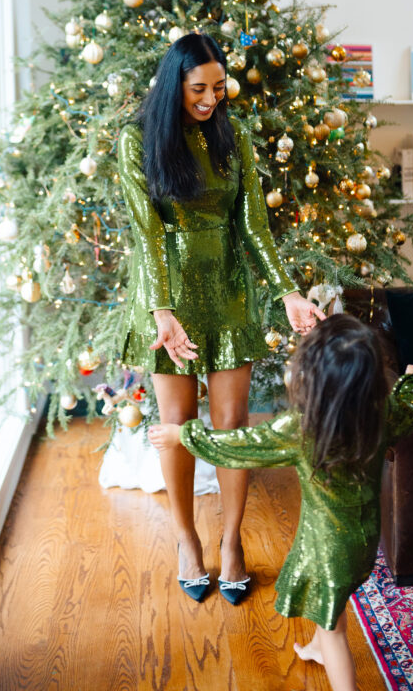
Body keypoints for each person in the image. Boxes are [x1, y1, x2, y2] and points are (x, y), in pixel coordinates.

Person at [118, 32, 324, 604]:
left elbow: (253, 226)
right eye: (198, 89)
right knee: (178, 429)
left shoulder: (233, 140)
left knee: (232, 428)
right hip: (167, 300)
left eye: (218, 87)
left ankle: (231, 542)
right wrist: (163, 310)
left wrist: (286, 293)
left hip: (229, 292)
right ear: (172, 86)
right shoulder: (136, 141)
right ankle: (187, 542)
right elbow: (149, 232)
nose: (211, 99)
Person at [148, 314, 413, 691]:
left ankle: (339, 671)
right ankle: (316, 647)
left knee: (335, 628)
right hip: (363, 538)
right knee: (330, 599)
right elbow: (411, 407)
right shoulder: (381, 413)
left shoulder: (302, 428)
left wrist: (182, 434)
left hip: (326, 548)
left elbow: (240, 445)